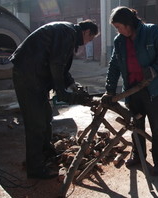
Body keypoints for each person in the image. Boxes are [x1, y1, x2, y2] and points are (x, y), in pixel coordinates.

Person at [9, 20, 98, 179]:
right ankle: (35, 168)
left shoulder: (68, 33)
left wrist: (72, 85)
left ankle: (45, 151)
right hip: (28, 77)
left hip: (35, 77)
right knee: (35, 123)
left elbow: (61, 67)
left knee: (45, 116)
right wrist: (61, 91)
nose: (87, 43)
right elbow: (56, 63)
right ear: (87, 32)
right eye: (90, 39)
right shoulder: (67, 32)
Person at [102, 6, 158, 176]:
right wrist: (110, 90)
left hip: (153, 88)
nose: (118, 31)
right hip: (131, 90)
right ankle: (138, 155)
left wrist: (154, 69)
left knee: (157, 126)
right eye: (116, 28)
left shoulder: (151, 31)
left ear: (129, 24)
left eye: (119, 27)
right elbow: (114, 66)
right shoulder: (119, 41)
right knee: (136, 124)